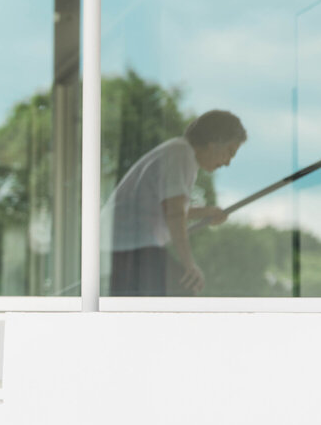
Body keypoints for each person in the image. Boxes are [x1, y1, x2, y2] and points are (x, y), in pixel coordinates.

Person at [101, 110, 246, 296]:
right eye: (230, 152)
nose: (227, 162)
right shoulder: (181, 153)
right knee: (185, 285)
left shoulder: (179, 153)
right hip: (131, 243)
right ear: (214, 142)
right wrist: (189, 264)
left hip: (121, 243)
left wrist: (206, 212)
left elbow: (167, 207)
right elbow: (174, 213)